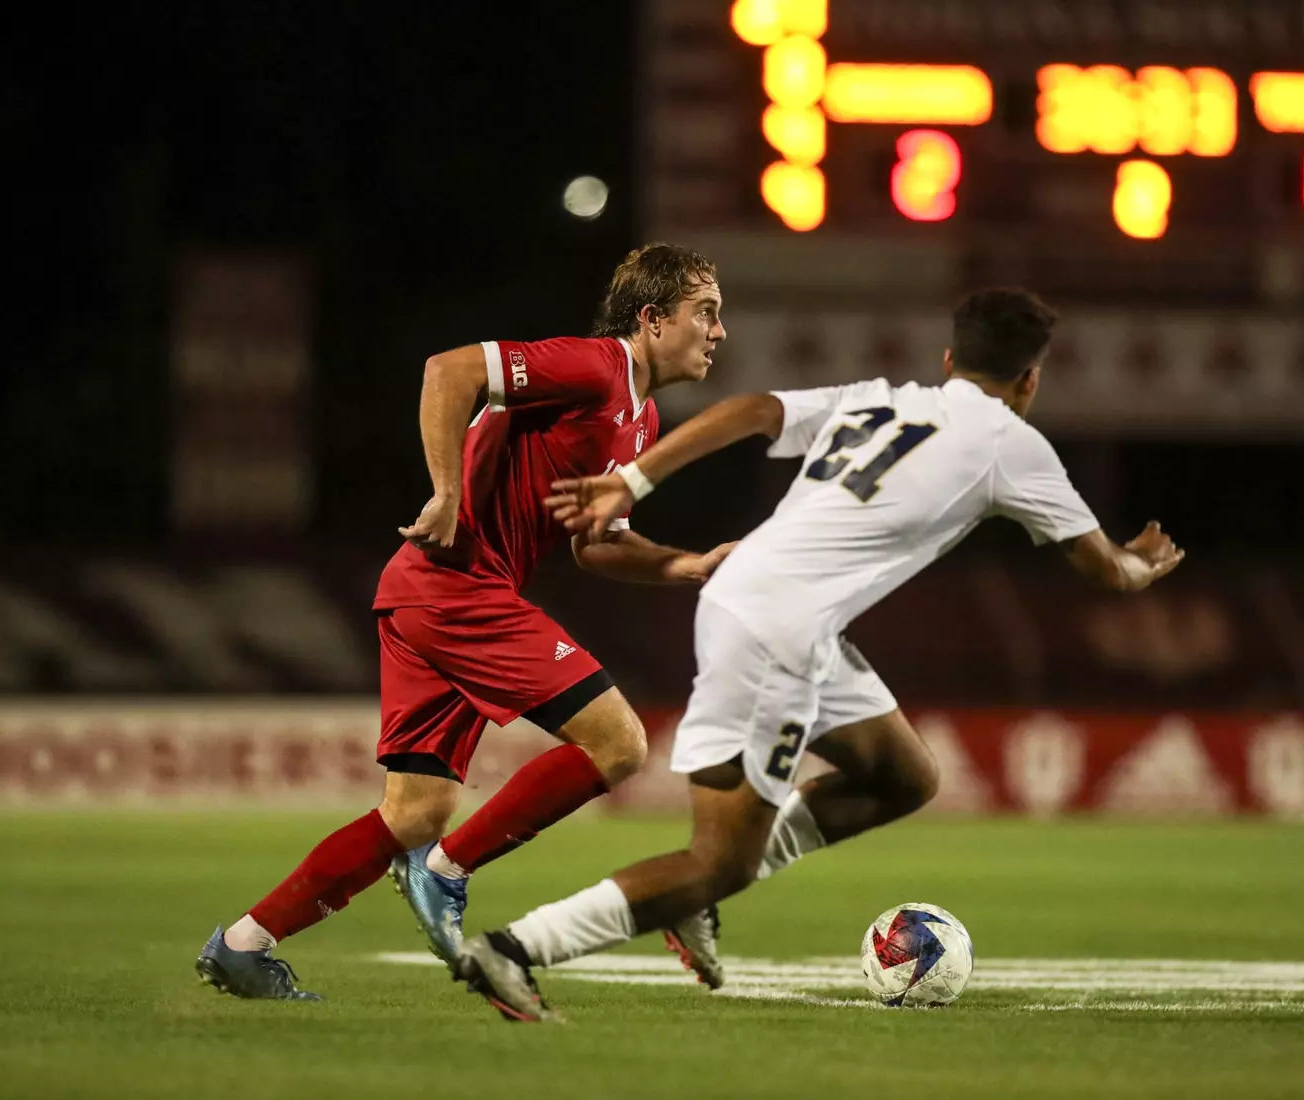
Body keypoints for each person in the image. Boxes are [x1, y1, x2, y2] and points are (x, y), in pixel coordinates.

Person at [450, 288, 1186, 1021]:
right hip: (779, 630)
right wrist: (1143, 562)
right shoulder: (1012, 445)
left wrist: (633, 479)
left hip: (768, 607)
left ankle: (692, 898)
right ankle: (513, 949)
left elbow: (753, 410)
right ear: (1030, 380)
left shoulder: (878, 400)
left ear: (949, 360)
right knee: (717, 862)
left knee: (903, 776)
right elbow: (1103, 571)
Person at [195, 243, 734, 1000]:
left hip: (426, 594)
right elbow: (449, 370)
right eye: (704, 312)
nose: (718, 332)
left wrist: (684, 564)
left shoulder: (639, 417)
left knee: (415, 813)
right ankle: (448, 873)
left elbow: (592, 544)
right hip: (459, 590)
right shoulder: (595, 366)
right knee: (618, 743)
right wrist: (445, 491)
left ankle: (245, 944)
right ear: (650, 318)